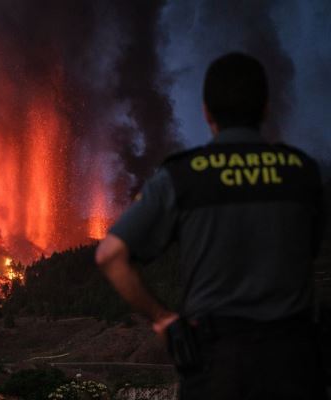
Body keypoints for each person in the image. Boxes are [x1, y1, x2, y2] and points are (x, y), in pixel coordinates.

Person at [95, 52, 326, 399]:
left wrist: (162, 318)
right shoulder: (302, 172)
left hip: (216, 366)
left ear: (206, 112)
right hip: (293, 366)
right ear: (265, 108)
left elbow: (109, 255)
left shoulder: (183, 175)